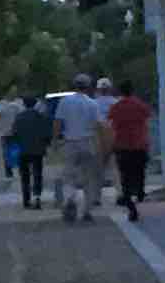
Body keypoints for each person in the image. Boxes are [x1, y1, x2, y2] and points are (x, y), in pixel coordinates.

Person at [48, 71, 108, 224]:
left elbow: (58, 122)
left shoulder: (65, 102)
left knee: (69, 175)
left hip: (70, 142)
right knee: (89, 178)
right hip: (88, 142)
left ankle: (70, 198)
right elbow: (99, 126)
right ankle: (87, 210)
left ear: (75, 85)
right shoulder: (92, 104)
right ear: (88, 87)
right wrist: (102, 145)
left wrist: (54, 141)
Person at [105, 74, 155, 213]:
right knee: (139, 171)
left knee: (125, 174)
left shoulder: (116, 107)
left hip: (122, 145)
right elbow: (148, 120)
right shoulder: (141, 105)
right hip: (139, 144)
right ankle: (139, 193)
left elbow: (110, 123)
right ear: (132, 90)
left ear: (120, 91)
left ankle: (127, 197)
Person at [8, 89, 52, 208]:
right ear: (35, 103)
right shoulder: (40, 117)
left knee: (25, 175)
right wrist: (46, 144)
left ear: (24, 104)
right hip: (38, 150)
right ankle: (37, 197)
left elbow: (14, 134)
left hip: (23, 150)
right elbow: (47, 133)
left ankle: (26, 200)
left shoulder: (19, 118)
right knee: (38, 173)